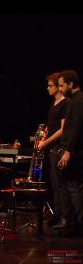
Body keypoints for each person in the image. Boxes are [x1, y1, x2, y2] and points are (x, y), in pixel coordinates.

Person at [35, 73, 70, 227]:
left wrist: (45, 142)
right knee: (54, 185)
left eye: (50, 85)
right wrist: (44, 137)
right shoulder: (54, 103)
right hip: (52, 149)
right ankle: (57, 215)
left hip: (59, 149)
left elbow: (63, 130)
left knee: (61, 185)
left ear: (58, 87)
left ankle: (66, 218)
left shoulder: (65, 103)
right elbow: (53, 126)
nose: (47, 88)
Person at [55, 70, 83, 236]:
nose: (60, 89)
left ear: (70, 85)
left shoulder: (79, 101)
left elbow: (77, 129)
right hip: (71, 151)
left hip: (75, 153)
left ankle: (79, 227)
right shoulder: (75, 101)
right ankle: (74, 226)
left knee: (75, 189)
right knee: (72, 188)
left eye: (61, 85)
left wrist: (68, 151)